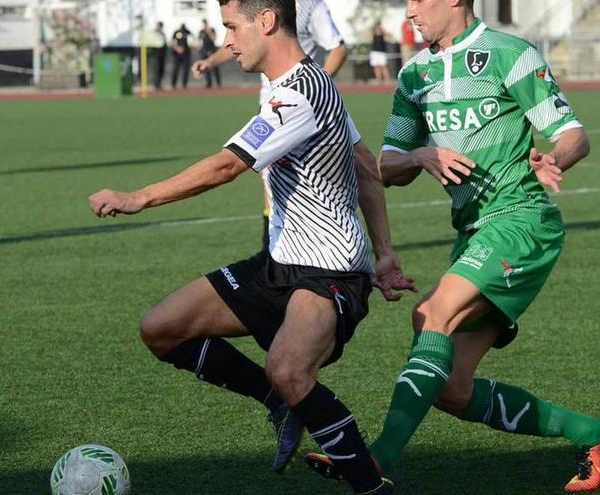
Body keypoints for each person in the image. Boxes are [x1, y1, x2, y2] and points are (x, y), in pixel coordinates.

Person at [88, 1, 413, 493]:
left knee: (289, 368)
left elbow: (227, 166)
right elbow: (364, 164)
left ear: (265, 22)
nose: (227, 41)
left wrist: (138, 198)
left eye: (232, 27)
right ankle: (276, 400)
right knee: (161, 330)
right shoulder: (293, 87)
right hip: (278, 264)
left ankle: (371, 486)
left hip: (329, 273)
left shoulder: (301, 93)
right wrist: (386, 252)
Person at [305, 1, 600, 493]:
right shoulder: (414, 75)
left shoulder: (509, 53)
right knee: (451, 390)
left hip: (521, 220)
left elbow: (574, 136)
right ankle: (592, 434)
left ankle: (377, 460)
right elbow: (384, 169)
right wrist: (419, 153)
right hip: (473, 233)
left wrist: (551, 159)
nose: (409, 10)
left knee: (431, 313)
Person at [193, 0, 355, 249]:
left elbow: (338, 48)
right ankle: (273, 243)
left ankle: (314, 244)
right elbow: (240, 37)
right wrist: (210, 61)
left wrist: (317, 89)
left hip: (302, 104)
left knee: (302, 176)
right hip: (272, 103)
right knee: (269, 174)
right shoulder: (253, 6)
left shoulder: (310, 5)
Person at [198, 19, 221, 88]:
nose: (205, 25)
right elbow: (200, 41)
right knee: (205, 68)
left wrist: (209, 31)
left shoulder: (211, 30)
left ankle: (218, 83)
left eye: (205, 23)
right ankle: (209, 83)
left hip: (212, 51)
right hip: (205, 51)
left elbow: (214, 39)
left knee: (215, 67)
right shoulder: (201, 31)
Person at [170, 23, 192, 89]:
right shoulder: (176, 32)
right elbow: (172, 42)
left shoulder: (188, 32)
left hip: (186, 53)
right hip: (177, 54)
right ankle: (173, 84)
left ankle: (184, 84)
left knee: (185, 70)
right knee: (176, 69)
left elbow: (192, 40)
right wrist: (177, 48)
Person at [151, 21, 168, 90]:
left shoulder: (162, 34)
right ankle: (156, 84)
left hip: (162, 55)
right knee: (157, 70)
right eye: (159, 26)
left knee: (161, 70)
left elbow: (164, 44)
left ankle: (159, 83)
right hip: (156, 55)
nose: (160, 27)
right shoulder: (154, 34)